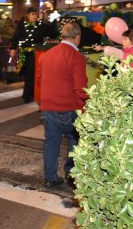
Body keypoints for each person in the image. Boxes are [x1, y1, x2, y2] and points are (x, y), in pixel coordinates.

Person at [37, 22, 88, 191]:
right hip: (66, 107)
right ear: (77, 37)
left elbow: (39, 80)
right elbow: (80, 88)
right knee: (76, 137)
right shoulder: (75, 56)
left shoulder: (46, 55)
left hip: (47, 107)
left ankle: (50, 177)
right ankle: (71, 173)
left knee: (51, 141)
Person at [10, 7, 48, 103]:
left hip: (34, 53)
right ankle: (30, 92)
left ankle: (28, 95)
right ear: (27, 15)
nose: (34, 16)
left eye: (35, 14)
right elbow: (16, 37)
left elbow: (49, 32)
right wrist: (13, 48)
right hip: (23, 52)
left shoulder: (40, 25)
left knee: (30, 73)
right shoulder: (22, 24)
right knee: (23, 72)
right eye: (32, 14)